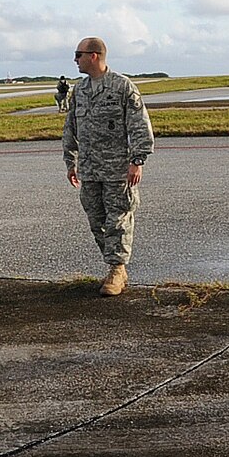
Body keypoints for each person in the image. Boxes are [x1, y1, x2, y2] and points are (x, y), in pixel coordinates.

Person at [63, 37, 154, 296]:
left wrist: (137, 161)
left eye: (78, 54)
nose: (75, 60)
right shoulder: (79, 90)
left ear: (93, 56)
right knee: (97, 220)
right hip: (90, 169)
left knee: (119, 219)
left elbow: (139, 125)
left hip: (117, 168)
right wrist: (71, 160)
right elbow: (71, 127)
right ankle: (116, 265)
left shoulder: (122, 86)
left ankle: (116, 269)